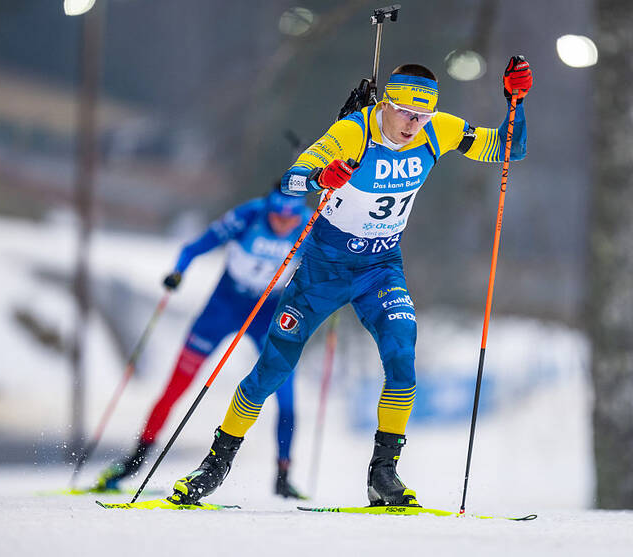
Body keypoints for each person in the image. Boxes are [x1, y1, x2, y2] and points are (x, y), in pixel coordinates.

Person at [168, 56, 533, 507]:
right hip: (324, 269)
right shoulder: (354, 131)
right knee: (273, 371)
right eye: (405, 113)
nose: (413, 125)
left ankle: (383, 474)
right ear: (387, 104)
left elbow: (507, 149)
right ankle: (215, 464)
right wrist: (323, 175)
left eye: (422, 116)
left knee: (402, 354)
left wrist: (516, 103)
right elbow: (292, 179)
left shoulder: (438, 130)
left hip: (381, 267)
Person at [94, 188, 312, 498]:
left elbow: (329, 264)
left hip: (267, 311)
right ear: (268, 209)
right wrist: (177, 273)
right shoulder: (248, 215)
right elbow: (193, 248)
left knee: (286, 394)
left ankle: (283, 474)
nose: (282, 224)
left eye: (289, 220)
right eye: (276, 216)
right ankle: (134, 462)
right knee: (176, 386)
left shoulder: (310, 223)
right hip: (223, 306)